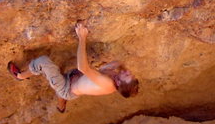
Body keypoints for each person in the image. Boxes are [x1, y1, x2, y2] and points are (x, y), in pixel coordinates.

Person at [7, 22, 139, 112]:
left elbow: (83, 68)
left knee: (43, 61)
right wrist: (122, 68)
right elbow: (117, 63)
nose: (128, 72)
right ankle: (61, 105)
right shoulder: (116, 79)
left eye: (127, 75)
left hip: (66, 86)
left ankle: (20, 76)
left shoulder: (107, 83)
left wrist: (82, 37)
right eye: (131, 74)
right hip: (73, 80)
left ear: (118, 82)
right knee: (63, 86)